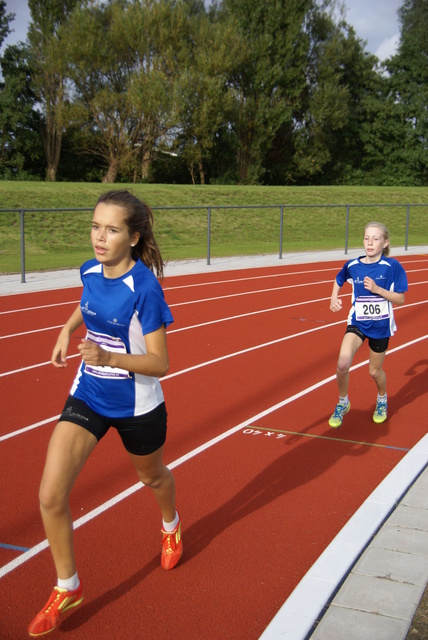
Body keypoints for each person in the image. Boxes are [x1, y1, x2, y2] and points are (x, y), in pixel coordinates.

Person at [28, 190, 182, 637]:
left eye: (112, 230)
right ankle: (67, 586)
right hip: (89, 394)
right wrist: (66, 328)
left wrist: (108, 357)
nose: (100, 237)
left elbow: (161, 363)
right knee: (50, 495)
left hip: (137, 405)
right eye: (96, 226)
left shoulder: (146, 290)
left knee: (152, 477)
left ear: (133, 238)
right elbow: (88, 301)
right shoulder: (89, 269)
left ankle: (170, 525)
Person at [328, 221, 408, 428]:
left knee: (374, 371)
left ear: (385, 243)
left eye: (375, 238)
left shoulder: (392, 267)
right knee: (342, 364)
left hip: (381, 327)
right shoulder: (353, 265)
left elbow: (400, 299)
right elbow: (339, 279)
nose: (370, 242)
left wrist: (378, 289)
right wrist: (334, 298)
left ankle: (382, 399)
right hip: (357, 323)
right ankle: (343, 402)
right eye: (366, 238)